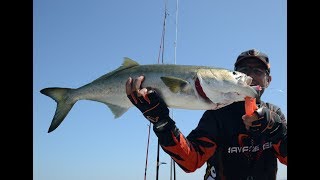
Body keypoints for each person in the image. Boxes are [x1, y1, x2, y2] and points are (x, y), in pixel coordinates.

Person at [125, 49, 287, 180]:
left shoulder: (275, 114)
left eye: (258, 70)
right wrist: (161, 122)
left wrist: (276, 130)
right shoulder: (217, 115)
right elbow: (191, 161)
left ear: (268, 80)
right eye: (243, 70)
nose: (250, 75)